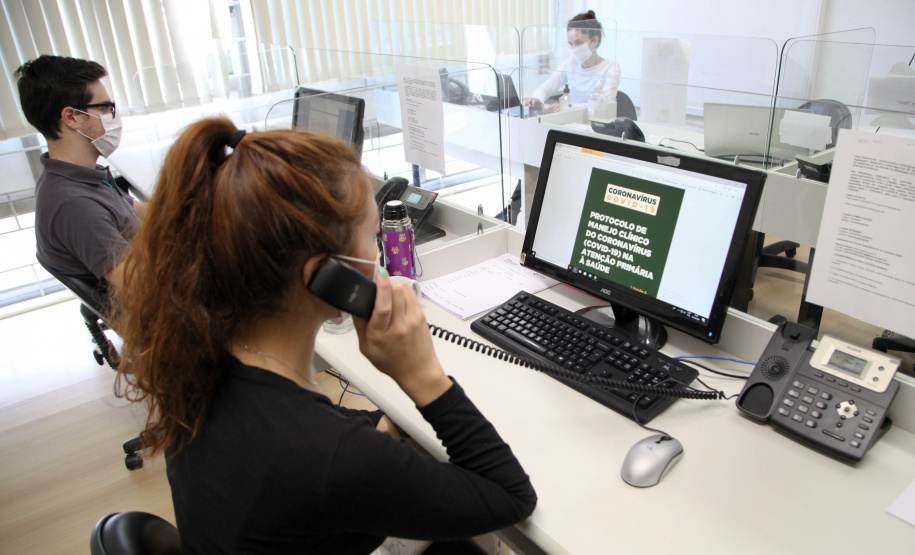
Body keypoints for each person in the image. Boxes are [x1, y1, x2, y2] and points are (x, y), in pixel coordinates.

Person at [113, 117, 537, 554]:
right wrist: (422, 374)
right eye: (372, 236)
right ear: (325, 275)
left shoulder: (203, 364)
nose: (378, 253)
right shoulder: (326, 454)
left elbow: (324, 440)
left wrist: (387, 428)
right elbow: (511, 497)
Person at [15, 55, 147, 293]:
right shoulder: (74, 204)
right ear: (72, 117)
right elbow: (139, 282)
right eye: (105, 108)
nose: (113, 116)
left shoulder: (78, 176)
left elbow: (133, 210)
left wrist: (190, 202)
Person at [523, 10, 621, 114]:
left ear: (594, 41)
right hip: (571, 122)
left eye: (578, 42)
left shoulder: (611, 68)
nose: (573, 49)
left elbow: (603, 105)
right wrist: (538, 99)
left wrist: (567, 108)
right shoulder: (570, 64)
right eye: (571, 44)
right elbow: (546, 87)